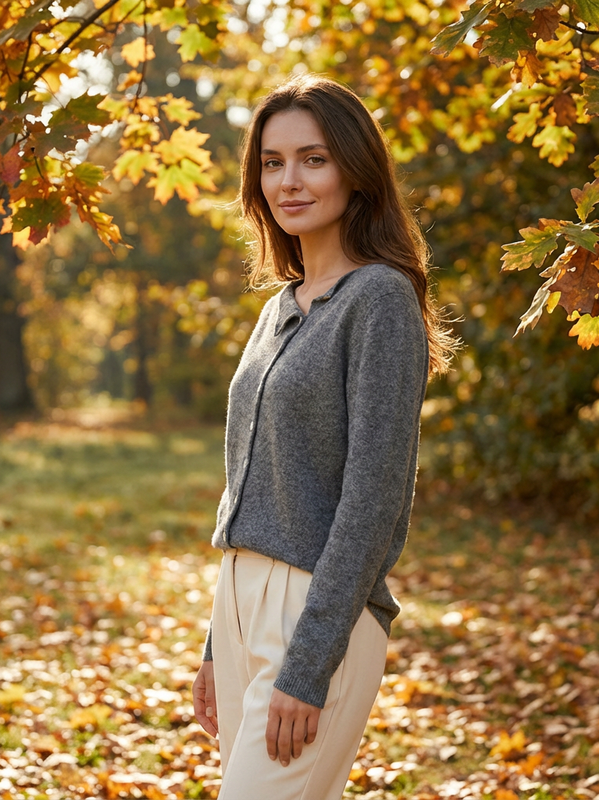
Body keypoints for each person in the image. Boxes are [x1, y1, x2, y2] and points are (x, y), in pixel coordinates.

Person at [191, 73, 456, 800]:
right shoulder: (280, 306)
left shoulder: (380, 300)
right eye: (272, 163)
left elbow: (372, 498)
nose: (289, 181)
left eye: (313, 158)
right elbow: (250, 484)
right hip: (240, 596)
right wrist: (219, 643)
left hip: (318, 611)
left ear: (356, 169)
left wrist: (308, 665)